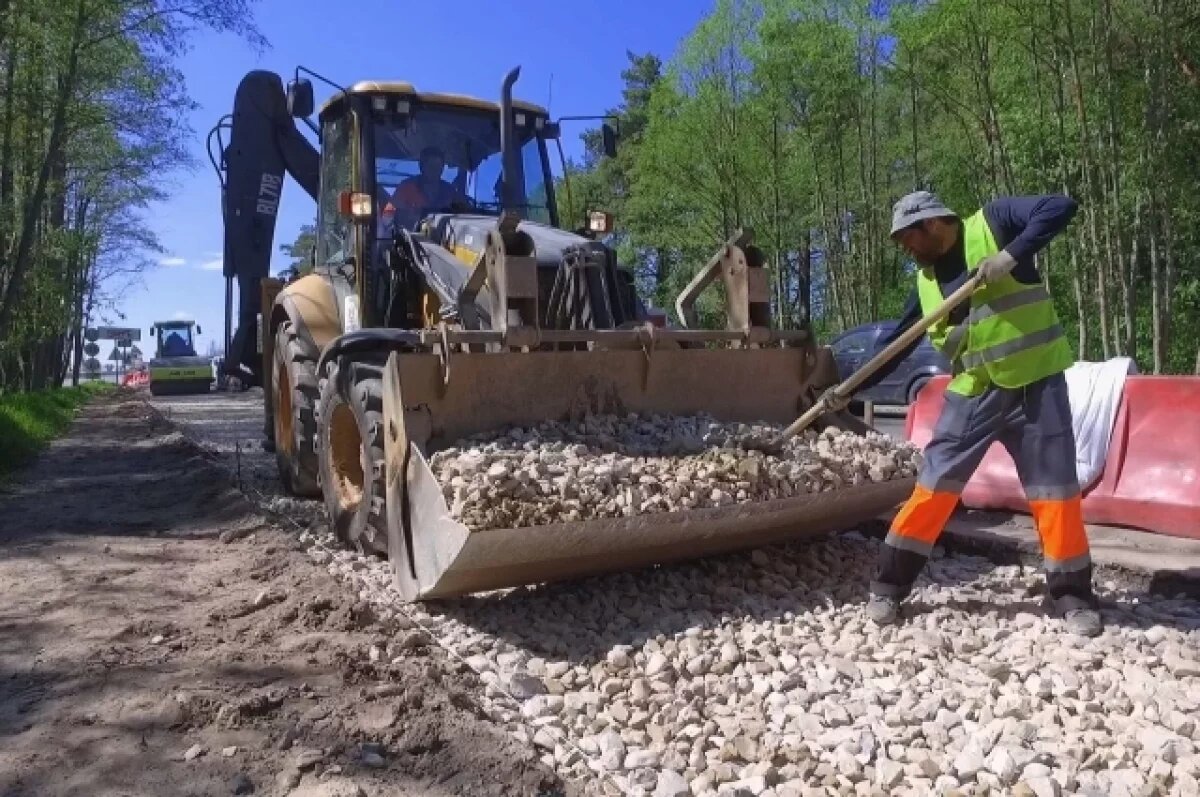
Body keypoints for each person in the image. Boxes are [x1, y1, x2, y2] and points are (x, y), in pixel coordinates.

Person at [825, 190, 1102, 637]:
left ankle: (1072, 596)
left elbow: (1060, 207)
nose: (905, 249)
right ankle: (888, 587)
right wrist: (847, 390)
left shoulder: (993, 223)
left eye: (907, 238)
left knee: (1056, 494)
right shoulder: (927, 282)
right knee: (933, 488)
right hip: (975, 392)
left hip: (1037, 386)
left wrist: (1010, 257)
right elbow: (897, 344)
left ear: (933, 224)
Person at [383, 145, 463, 232]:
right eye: (431, 166)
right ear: (421, 167)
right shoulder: (406, 187)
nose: (435, 170)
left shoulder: (450, 192)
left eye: (439, 166)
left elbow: (462, 215)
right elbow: (387, 217)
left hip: (443, 237)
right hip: (410, 237)